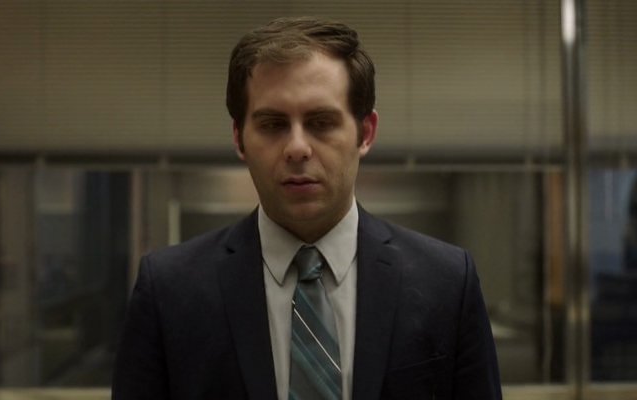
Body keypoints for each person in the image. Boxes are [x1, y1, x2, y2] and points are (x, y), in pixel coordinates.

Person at [112, 16, 502, 400]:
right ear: (239, 138)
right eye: (272, 124)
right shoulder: (168, 291)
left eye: (321, 122)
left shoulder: (446, 283)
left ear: (365, 133)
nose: (297, 148)